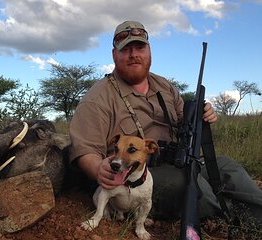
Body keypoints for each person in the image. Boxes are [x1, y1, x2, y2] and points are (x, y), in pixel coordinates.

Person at [68, 20, 262, 226]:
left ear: (149, 51)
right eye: (126, 49)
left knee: (228, 168)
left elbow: (184, 123)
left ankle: (255, 212)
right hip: (135, 174)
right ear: (115, 55)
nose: (134, 54)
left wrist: (202, 116)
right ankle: (234, 218)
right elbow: (85, 150)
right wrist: (99, 168)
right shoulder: (98, 96)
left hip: (178, 161)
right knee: (191, 185)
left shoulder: (165, 86)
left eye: (140, 47)